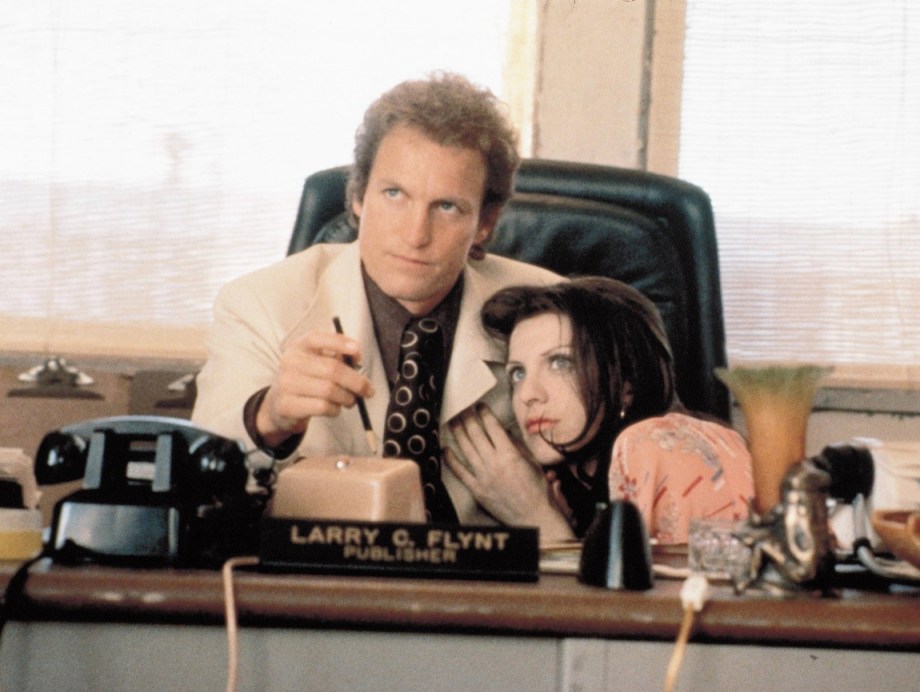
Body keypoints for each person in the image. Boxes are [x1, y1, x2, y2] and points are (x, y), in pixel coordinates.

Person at [191, 72, 566, 533]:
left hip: (492, 574)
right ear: (357, 199)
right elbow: (199, 482)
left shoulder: (551, 311)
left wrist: (541, 514)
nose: (416, 235)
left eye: (447, 207)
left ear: (485, 224)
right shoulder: (259, 304)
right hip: (318, 573)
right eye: (394, 195)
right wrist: (270, 416)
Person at [446, 276, 754, 544]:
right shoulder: (576, 481)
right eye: (518, 373)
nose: (527, 394)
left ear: (627, 383)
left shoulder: (660, 441)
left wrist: (535, 516)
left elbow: (672, 596)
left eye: (560, 363)